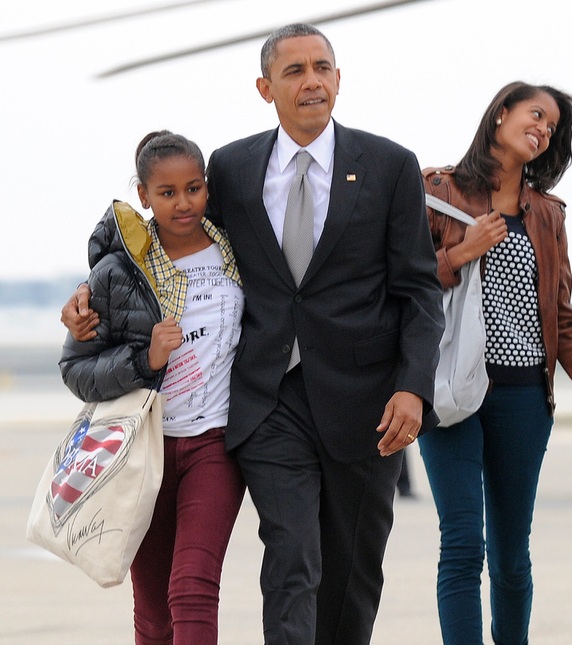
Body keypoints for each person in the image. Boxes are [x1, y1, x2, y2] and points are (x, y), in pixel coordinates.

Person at [62, 23, 444, 645]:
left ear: (339, 80)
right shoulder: (232, 168)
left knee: (351, 570)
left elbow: (419, 291)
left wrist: (413, 388)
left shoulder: (388, 166)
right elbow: (166, 241)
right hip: (268, 402)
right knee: (291, 554)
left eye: (322, 67)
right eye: (294, 71)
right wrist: (90, 294)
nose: (311, 80)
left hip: (366, 402)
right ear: (266, 88)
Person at [419, 81, 572, 644]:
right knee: (463, 542)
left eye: (552, 127)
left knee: (511, 556)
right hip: (450, 391)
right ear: (499, 115)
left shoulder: (546, 215)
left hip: (522, 400)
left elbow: (562, 323)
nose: (542, 129)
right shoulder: (436, 190)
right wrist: (462, 252)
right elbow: (402, 285)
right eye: (535, 115)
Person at [59, 131, 246, 644]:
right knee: (154, 611)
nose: (183, 203)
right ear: (143, 195)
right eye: (167, 193)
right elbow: (77, 369)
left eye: (194, 188)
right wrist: (145, 359)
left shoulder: (237, 247)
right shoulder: (118, 273)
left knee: (192, 587)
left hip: (216, 444)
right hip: (144, 451)